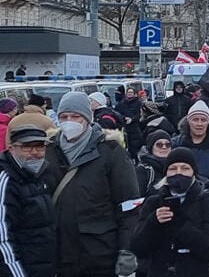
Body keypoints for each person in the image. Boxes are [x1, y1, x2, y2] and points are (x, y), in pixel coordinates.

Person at [42, 91, 140, 277]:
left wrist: (127, 249)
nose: (69, 121)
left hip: (99, 253)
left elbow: (129, 205)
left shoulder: (110, 151)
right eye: (64, 117)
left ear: (88, 118)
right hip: (58, 252)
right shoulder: (48, 150)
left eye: (75, 116)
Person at [130, 148, 209, 276]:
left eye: (185, 168)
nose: (178, 172)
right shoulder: (153, 203)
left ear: (193, 172)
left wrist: (180, 225)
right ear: (166, 173)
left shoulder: (207, 202)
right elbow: (137, 248)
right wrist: (153, 222)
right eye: (173, 169)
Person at [0, 108, 56, 276]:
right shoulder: (7, 180)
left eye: (39, 147)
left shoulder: (43, 175)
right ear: (11, 149)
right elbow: (3, 237)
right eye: (26, 147)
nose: (34, 153)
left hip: (44, 266)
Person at [172, 100, 209, 182]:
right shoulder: (176, 144)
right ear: (188, 121)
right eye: (195, 119)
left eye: (203, 120)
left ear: (208, 122)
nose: (199, 124)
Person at [136, 130, 172, 197]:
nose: (164, 147)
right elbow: (138, 195)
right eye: (159, 145)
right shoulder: (143, 169)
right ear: (151, 147)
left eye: (168, 144)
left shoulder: (176, 167)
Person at [115, 87, 145, 158]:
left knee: (135, 147)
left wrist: (132, 119)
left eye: (131, 92)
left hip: (135, 128)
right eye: (128, 92)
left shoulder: (139, 103)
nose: (129, 94)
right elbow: (117, 113)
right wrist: (124, 118)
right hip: (124, 127)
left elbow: (140, 115)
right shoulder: (121, 103)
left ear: (134, 94)